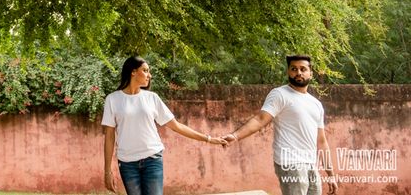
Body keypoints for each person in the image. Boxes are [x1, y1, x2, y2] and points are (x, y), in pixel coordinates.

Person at [102, 56, 226, 195]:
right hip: (127, 163)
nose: (150, 75)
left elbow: (176, 126)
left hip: (152, 159)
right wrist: (107, 171)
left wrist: (209, 139)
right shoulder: (112, 99)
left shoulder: (152, 98)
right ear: (133, 72)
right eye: (145, 70)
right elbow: (109, 137)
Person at [223, 54, 338, 195]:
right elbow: (260, 119)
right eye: (294, 69)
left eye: (303, 69)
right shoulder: (280, 94)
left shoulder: (316, 104)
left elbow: (321, 141)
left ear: (311, 73)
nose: (298, 73)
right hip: (290, 163)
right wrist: (235, 135)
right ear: (288, 72)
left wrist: (330, 174)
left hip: (310, 164)